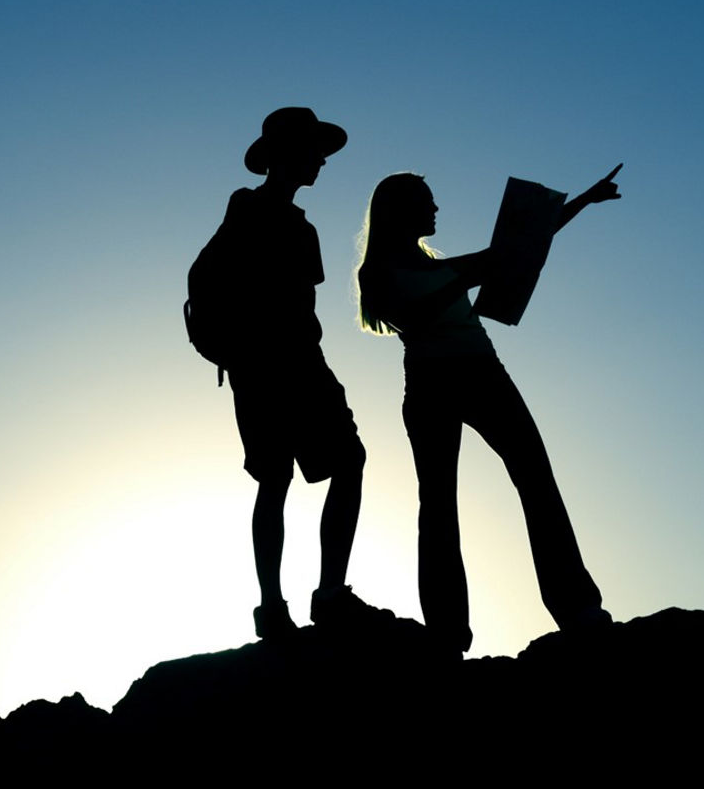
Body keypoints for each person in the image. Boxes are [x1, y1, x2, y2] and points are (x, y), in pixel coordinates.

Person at [356, 165, 623, 653]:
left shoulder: (444, 267)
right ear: (401, 211)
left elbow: (519, 246)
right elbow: (409, 316)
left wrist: (583, 201)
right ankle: (447, 633)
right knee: (438, 506)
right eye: (427, 200)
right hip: (430, 385)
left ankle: (579, 608)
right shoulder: (378, 272)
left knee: (536, 480)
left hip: (485, 373)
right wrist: (463, 277)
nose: (436, 208)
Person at [201, 107, 377, 638]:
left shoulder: (305, 228)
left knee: (339, 463)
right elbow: (219, 275)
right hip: (265, 363)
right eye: (313, 150)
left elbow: (306, 301)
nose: (322, 161)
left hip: (298, 361)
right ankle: (278, 605)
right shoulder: (246, 206)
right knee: (280, 478)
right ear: (286, 155)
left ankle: (323, 594)